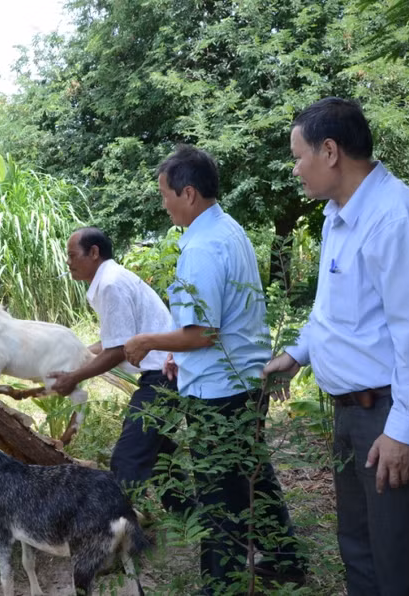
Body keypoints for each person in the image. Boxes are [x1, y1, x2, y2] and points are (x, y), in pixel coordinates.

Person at [263, 97, 409, 595]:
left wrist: (407, 433)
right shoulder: (338, 215)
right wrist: (297, 353)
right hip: (355, 414)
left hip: (392, 413)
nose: (295, 169)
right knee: (362, 552)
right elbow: (335, 313)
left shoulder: (396, 219)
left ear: (329, 151)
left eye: (298, 155)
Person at [123, 145, 304, 592]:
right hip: (244, 380)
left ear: (188, 193)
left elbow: (203, 333)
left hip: (220, 392)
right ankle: (285, 559)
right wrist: (176, 353)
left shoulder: (202, 247)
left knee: (219, 491)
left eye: (165, 194)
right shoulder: (228, 229)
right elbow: (211, 326)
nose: (162, 203)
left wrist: (147, 340)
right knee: (251, 475)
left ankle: (220, 584)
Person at [47, 227, 188, 513]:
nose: (68, 262)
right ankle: (186, 512)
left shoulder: (110, 284)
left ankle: (112, 528)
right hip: (164, 373)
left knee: (128, 459)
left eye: (73, 255)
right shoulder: (109, 281)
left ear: (94, 253)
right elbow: (113, 341)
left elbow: (115, 352)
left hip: (164, 375)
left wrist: (75, 376)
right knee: (158, 452)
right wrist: (80, 355)